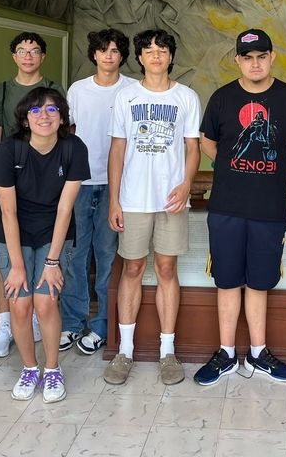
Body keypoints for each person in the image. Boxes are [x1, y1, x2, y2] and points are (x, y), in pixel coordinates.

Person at [193, 29, 286, 386]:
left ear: (272, 57)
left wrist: (264, 164)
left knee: (259, 281)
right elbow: (209, 143)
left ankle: (258, 353)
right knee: (227, 280)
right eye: (247, 57)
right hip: (227, 205)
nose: (255, 63)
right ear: (237, 61)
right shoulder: (223, 98)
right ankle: (226, 353)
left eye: (261, 56)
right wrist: (236, 166)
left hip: (269, 207)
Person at [104, 29, 201, 387]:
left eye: (162, 49)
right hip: (132, 199)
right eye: (148, 50)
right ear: (140, 58)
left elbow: (193, 148)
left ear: (171, 56)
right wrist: (115, 198)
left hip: (171, 198)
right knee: (131, 268)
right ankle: (125, 351)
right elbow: (117, 150)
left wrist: (187, 183)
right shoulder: (126, 97)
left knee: (166, 268)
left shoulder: (186, 97)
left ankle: (167, 351)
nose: (156, 55)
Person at [0, 87, 89, 403]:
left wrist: (52, 262)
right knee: (20, 304)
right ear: (25, 118)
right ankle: (29, 367)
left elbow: (65, 208)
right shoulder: (10, 150)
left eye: (50, 110)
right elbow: (8, 210)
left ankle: (51, 370)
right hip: (14, 231)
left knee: (45, 302)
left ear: (61, 117)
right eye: (35, 110)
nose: (43, 116)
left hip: (54, 231)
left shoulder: (73, 148)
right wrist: (17, 266)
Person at [0, 32, 65, 358]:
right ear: (14, 55)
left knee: (43, 257)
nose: (28, 56)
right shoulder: (2, 91)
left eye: (34, 51)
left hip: (45, 186)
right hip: (9, 181)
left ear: (43, 56)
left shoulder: (54, 89)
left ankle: (35, 318)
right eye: (22, 50)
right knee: (8, 252)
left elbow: (63, 136)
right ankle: (7, 323)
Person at [60, 28, 135, 354]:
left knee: (107, 256)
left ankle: (102, 324)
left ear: (122, 56)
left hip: (116, 185)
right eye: (103, 50)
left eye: (115, 50)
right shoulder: (78, 90)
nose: (109, 55)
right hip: (79, 182)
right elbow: (67, 132)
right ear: (93, 54)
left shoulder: (133, 89)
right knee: (76, 257)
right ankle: (72, 323)